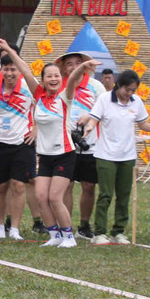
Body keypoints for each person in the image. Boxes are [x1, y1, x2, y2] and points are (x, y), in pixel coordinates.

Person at [0, 34, 96, 248]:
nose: (53, 79)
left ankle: (69, 237)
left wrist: (83, 65)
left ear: (61, 77)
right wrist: (9, 50)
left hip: (64, 153)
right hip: (45, 155)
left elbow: (75, 75)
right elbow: (24, 70)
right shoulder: (38, 95)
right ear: (43, 80)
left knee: (55, 197)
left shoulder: (65, 97)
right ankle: (54, 235)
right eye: (49, 76)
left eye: (57, 75)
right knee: (41, 197)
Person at [86, 69, 150, 244]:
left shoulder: (136, 102)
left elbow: (143, 123)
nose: (129, 94)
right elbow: (94, 118)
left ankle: (118, 231)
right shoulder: (105, 99)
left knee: (124, 194)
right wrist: (90, 126)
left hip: (127, 156)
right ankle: (99, 232)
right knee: (106, 194)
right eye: (127, 89)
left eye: (133, 90)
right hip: (105, 154)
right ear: (118, 85)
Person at [0, 54, 38, 240]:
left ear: (19, 70)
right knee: (1, 187)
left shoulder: (29, 86)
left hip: (23, 143)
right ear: (1, 70)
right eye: (6, 69)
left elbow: (45, 105)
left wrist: (36, 128)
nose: (10, 73)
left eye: (13, 69)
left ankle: (15, 229)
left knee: (19, 186)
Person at [59, 50, 108, 237]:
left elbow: (106, 109)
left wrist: (91, 116)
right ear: (63, 67)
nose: (73, 67)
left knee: (89, 185)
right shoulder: (61, 85)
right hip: (65, 144)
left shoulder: (96, 87)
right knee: (66, 185)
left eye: (77, 63)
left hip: (91, 143)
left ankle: (85, 225)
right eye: (69, 64)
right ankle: (66, 226)